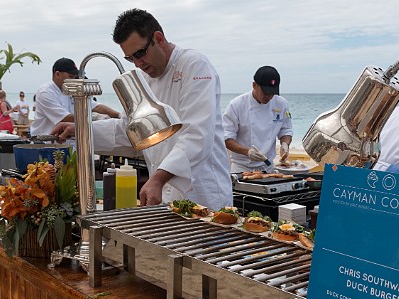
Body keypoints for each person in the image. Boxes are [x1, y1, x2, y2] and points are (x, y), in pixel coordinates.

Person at [52, 9, 233, 211]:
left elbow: (197, 134)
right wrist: (81, 130)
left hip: (203, 196)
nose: (138, 64)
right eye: (130, 59)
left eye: (140, 53)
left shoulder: (194, 65)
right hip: (162, 198)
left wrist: (157, 179)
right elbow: (128, 130)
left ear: (159, 38)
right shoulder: (144, 78)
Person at [222, 66, 293, 173]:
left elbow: (286, 130)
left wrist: (285, 144)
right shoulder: (236, 105)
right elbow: (227, 138)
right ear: (254, 85)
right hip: (242, 168)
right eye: (266, 93)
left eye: (272, 93)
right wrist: (247, 152)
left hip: (268, 167)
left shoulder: (281, 104)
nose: (269, 96)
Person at [30, 58, 120, 136]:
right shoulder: (45, 92)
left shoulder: (71, 89)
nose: (74, 80)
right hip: (46, 143)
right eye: (71, 77)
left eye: (74, 77)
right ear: (57, 74)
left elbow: (96, 106)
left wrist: (119, 115)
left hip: (67, 142)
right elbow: (65, 118)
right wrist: (96, 118)